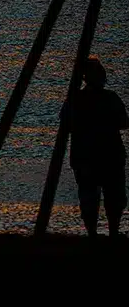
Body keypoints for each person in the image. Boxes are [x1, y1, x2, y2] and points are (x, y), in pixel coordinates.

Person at [63, 56, 128, 237]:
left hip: (85, 155)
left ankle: (93, 233)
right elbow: (124, 122)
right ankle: (112, 232)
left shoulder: (76, 99)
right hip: (109, 154)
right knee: (113, 196)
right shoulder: (110, 98)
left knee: (89, 195)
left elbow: (65, 123)